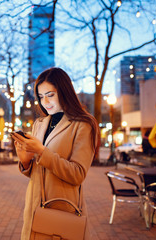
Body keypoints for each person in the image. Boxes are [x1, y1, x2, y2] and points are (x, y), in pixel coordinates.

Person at [11, 67, 100, 240]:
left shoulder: (83, 124)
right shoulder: (40, 123)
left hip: (62, 210)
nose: (45, 102)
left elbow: (78, 174)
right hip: (34, 206)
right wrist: (26, 162)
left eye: (50, 95)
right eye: (41, 96)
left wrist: (41, 151)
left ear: (65, 92)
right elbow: (40, 171)